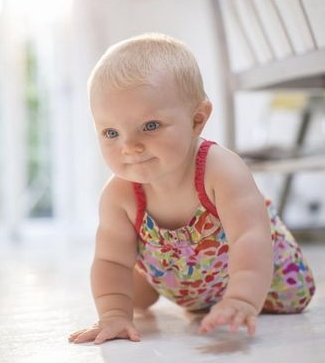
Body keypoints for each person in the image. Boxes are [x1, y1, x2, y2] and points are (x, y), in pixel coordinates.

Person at [68, 33, 315, 345]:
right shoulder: (120, 196)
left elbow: (249, 237)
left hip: (265, 275)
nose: (129, 146)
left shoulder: (220, 170)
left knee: (292, 300)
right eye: (111, 132)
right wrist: (114, 313)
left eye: (150, 126)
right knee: (131, 291)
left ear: (197, 120)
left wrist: (242, 299)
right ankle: (180, 299)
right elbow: (110, 261)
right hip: (187, 281)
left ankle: (235, 299)